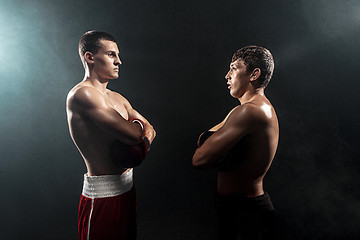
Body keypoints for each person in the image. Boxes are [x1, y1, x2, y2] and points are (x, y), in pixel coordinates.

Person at [66, 30, 156, 240]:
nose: (119, 61)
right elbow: (135, 134)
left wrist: (143, 142)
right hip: (102, 197)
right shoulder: (83, 94)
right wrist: (139, 138)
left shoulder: (117, 97)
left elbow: (150, 129)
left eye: (117, 55)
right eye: (111, 55)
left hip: (127, 188)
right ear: (90, 57)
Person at [192, 46, 279, 240]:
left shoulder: (249, 112)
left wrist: (207, 143)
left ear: (254, 74)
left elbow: (199, 159)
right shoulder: (248, 109)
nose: (227, 75)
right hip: (238, 210)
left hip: (247, 214)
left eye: (234, 68)